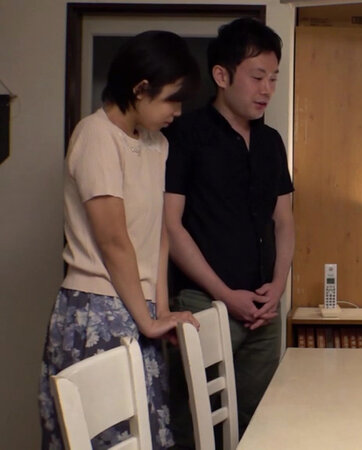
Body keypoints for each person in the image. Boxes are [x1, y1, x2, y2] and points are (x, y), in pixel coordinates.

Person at [39, 31, 201, 449]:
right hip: (97, 308)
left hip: (138, 308)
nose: (178, 111)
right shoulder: (95, 135)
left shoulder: (156, 144)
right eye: (172, 99)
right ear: (140, 89)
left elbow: (157, 234)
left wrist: (160, 310)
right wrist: (148, 320)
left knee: (146, 434)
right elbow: (114, 241)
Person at [163, 17, 295, 446]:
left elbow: (284, 220)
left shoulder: (271, 142)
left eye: (273, 78)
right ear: (222, 76)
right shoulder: (185, 134)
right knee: (195, 424)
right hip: (202, 303)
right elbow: (170, 226)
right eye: (257, 77)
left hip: (263, 308)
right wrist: (224, 294)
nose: (267, 89)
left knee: (259, 421)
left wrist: (278, 286)